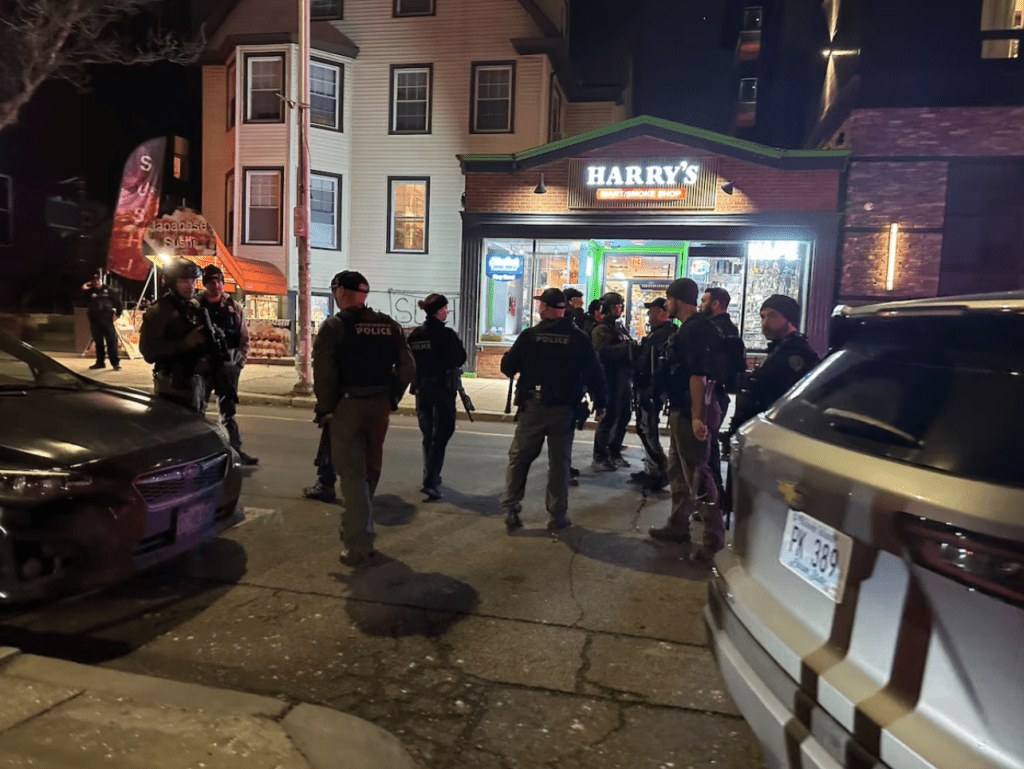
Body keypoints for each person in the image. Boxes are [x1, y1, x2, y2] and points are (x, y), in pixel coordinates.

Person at [313, 270, 415, 567]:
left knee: (352, 476)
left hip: (348, 405)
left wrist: (328, 406)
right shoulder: (389, 325)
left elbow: (324, 372)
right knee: (370, 470)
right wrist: (392, 396)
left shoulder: (335, 326)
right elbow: (408, 367)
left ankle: (359, 545)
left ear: (341, 293)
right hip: (379, 404)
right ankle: (356, 529)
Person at [500, 288, 606, 534]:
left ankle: (511, 509)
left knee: (520, 458)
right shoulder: (578, 338)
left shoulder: (529, 336)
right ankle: (557, 516)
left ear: (548, 309)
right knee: (559, 463)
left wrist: (508, 357)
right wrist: (601, 403)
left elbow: (508, 368)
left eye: (541, 306)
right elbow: (594, 372)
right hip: (565, 408)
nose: (538, 309)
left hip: (533, 406)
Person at [648, 278, 725, 561]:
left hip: (691, 409)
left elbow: (698, 376)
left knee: (698, 475)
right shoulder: (694, 328)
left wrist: (696, 418)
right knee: (678, 471)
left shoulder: (694, 330)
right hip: (681, 408)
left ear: (678, 300)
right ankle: (678, 525)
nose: (666, 304)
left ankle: (712, 540)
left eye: (668, 299)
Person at [725, 294, 819, 443]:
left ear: (789, 319)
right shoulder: (778, 350)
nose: (765, 322)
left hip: (776, 435)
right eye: (762, 317)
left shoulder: (796, 352)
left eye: (772, 316)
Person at [407, 293, 467, 500]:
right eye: (446, 308)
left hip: (422, 390)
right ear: (440, 311)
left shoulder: (415, 335)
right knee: (441, 434)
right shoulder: (446, 335)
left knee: (428, 435)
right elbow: (460, 358)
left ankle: (430, 474)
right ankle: (430, 481)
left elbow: (409, 362)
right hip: (442, 391)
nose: (447, 311)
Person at [198, 265, 258, 465]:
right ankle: (198, 455)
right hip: (203, 369)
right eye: (212, 282)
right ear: (205, 284)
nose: (217, 286)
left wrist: (239, 363)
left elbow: (244, 338)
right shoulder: (196, 306)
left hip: (227, 368)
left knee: (228, 413)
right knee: (197, 413)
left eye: (219, 281)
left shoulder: (234, 307)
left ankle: (235, 451)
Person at [139, 258, 213, 411]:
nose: (190, 286)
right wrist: (185, 343)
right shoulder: (159, 311)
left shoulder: (194, 306)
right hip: (171, 387)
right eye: (184, 281)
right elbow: (149, 353)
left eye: (193, 281)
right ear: (172, 282)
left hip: (196, 384)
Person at [700, 287, 745, 505]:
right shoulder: (728, 329)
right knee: (708, 444)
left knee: (707, 446)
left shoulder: (716, 330)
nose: (701, 305)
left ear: (716, 304)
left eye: (704, 300)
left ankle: (712, 496)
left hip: (712, 392)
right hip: (718, 392)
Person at [629, 297, 676, 492]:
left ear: (661, 313)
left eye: (651, 311)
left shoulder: (663, 334)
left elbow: (649, 363)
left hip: (651, 389)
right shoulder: (662, 333)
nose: (648, 315)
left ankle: (659, 469)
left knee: (647, 429)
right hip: (651, 388)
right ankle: (652, 469)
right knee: (646, 427)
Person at [590, 291, 635, 471]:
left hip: (624, 379)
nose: (618, 309)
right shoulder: (601, 329)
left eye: (620, 306)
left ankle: (614, 451)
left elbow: (629, 344)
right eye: (615, 306)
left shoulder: (619, 328)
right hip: (609, 379)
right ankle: (600, 456)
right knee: (608, 419)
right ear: (606, 308)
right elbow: (601, 353)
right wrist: (625, 348)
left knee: (624, 416)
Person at [82, 273, 123, 371]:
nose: (97, 282)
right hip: (95, 322)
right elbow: (81, 298)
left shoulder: (109, 290)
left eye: (98, 280)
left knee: (111, 343)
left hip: (107, 321)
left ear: (101, 280)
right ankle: (100, 363)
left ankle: (115, 363)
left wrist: (118, 314)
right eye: (94, 280)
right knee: (98, 343)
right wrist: (84, 288)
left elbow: (118, 303)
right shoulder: (90, 292)